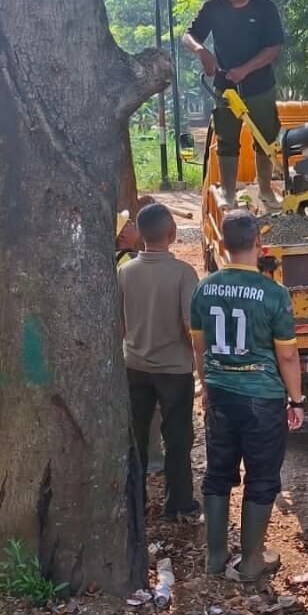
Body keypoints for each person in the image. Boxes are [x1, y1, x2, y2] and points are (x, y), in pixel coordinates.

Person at [191, 210, 305, 580]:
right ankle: (252, 560)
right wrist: (297, 399)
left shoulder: (204, 289)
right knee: (262, 477)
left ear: (223, 244)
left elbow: (199, 346)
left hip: (221, 393)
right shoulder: (274, 294)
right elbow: (287, 354)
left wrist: (207, 387)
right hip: (262, 399)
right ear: (258, 243)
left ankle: (215, 557)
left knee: (218, 473)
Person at [119, 203, 202, 521]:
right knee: (178, 437)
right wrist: (200, 364)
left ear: (140, 234)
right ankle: (179, 503)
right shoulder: (184, 273)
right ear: (173, 233)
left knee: (137, 437)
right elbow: (189, 323)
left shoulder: (125, 272)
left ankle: (135, 502)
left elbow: (121, 325)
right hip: (174, 370)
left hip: (135, 366)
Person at [182, 0, 285, 210]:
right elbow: (188, 35)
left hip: (260, 86)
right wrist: (201, 51)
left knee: (265, 137)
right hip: (224, 87)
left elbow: (274, 47)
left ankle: (265, 189)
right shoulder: (214, 8)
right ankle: (228, 192)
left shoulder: (264, 8)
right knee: (227, 138)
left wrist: (246, 69)